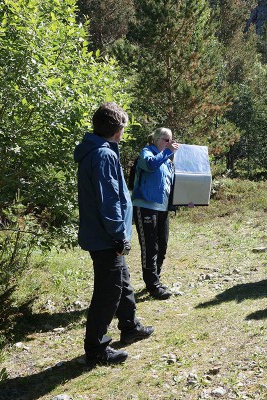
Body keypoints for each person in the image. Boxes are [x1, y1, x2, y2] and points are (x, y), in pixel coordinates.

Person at [74, 102, 154, 365]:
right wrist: (119, 235)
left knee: (122, 281)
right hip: (106, 237)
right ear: (115, 128)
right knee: (108, 292)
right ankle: (96, 349)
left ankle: (129, 327)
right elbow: (109, 200)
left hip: (104, 234)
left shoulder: (100, 150)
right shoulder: (103, 155)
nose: (123, 132)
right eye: (122, 127)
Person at [132, 127, 178, 300]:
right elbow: (150, 165)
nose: (170, 143)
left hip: (163, 209)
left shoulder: (167, 160)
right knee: (150, 247)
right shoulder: (147, 153)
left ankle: (155, 279)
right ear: (156, 139)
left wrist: (186, 199)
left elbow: (171, 185)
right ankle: (153, 285)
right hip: (145, 207)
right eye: (167, 140)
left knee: (162, 246)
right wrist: (167, 152)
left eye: (171, 140)